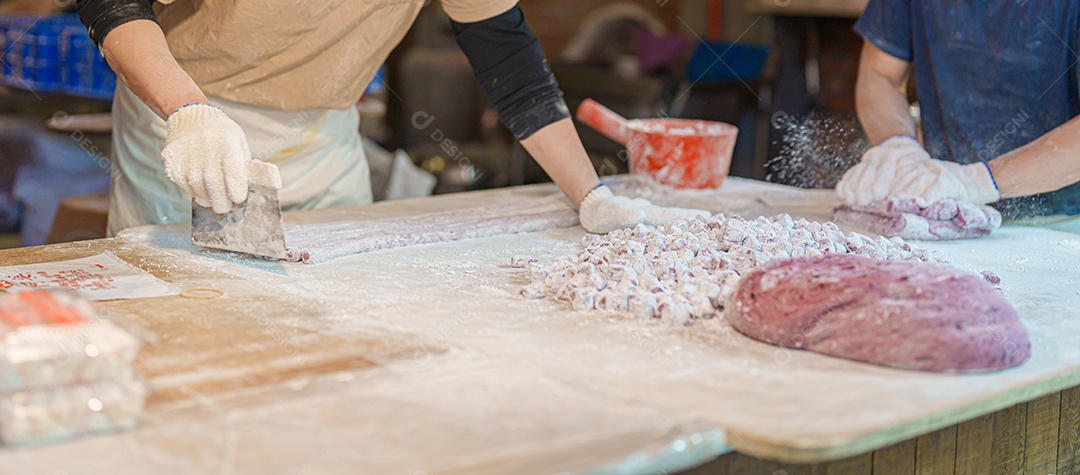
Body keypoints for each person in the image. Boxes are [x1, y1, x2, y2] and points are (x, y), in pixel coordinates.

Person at [76, 0, 707, 236]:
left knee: (331, 327)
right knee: (185, 320)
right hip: (193, 126)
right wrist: (188, 111)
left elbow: (510, 63)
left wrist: (591, 196)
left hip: (326, 136)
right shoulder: (189, 119)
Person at [835, 0, 1080, 231]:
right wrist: (898, 147)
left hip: (1064, 221)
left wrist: (976, 182)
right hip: (943, 212)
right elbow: (880, 75)